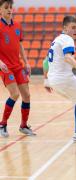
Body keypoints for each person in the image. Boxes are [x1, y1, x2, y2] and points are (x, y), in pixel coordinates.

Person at [0, 0, 35, 137]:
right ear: (0, 10)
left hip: (18, 66)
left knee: (26, 95)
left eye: (11, 7)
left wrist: (26, 62)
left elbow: (20, 46)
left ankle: (23, 125)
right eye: (6, 7)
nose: (9, 9)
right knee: (15, 94)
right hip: (5, 67)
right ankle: (2, 124)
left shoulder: (18, 25)